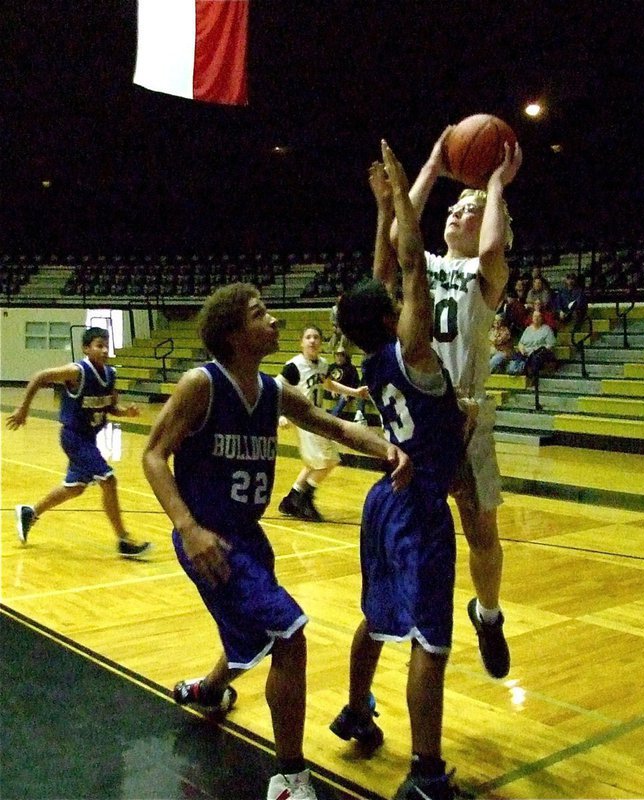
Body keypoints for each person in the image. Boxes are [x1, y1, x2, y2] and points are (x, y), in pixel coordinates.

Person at [141, 283, 411, 800]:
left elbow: (328, 423)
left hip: (249, 537)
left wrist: (387, 449)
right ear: (233, 334)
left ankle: (210, 688)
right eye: (261, 314)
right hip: (212, 541)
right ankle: (288, 778)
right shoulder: (201, 384)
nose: (275, 322)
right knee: (288, 635)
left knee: (257, 630)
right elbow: (153, 455)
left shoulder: (273, 391)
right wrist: (188, 527)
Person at [332, 141, 466, 800]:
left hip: (383, 500)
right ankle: (425, 772)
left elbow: (380, 278)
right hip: (417, 509)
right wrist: (415, 193)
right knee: (429, 641)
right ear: (392, 319)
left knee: (377, 616)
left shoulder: (372, 357)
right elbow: (409, 265)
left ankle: (356, 710)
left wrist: (383, 204)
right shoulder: (412, 351)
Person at [396, 126, 522, 679]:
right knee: (415, 535)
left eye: (469, 211)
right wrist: (430, 167)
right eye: (454, 207)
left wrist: (493, 185)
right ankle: (414, 620)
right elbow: (401, 228)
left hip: (467, 416)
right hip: (420, 420)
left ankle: (488, 614)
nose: (456, 213)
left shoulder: (486, 274)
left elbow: (492, 245)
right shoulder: (421, 263)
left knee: (482, 534)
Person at [6, 326, 151, 558]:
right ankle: (123, 539)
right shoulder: (77, 372)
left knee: (74, 488)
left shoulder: (110, 374)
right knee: (108, 479)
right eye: (99, 345)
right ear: (86, 348)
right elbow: (39, 377)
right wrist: (23, 408)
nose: (104, 350)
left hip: (89, 439)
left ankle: (30, 512)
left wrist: (126, 412)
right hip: (73, 437)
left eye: (106, 345)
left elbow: (111, 407)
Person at [277, 325, 368, 522]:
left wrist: (354, 392)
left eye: (316, 337)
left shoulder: (324, 364)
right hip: (302, 418)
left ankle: (292, 499)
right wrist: (280, 415)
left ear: (321, 342)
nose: (312, 340)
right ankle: (305, 498)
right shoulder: (294, 366)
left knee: (313, 463)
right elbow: (277, 388)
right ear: (301, 343)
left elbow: (329, 384)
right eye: (308, 337)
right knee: (329, 460)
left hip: (316, 417)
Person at [506, 309, 557, 377]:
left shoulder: (547, 329)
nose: (536, 318)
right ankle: (515, 371)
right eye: (534, 316)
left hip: (538, 354)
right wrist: (522, 349)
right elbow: (520, 343)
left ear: (542, 318)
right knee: (515, 358)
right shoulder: (528, 329)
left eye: (538, 316)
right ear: (532, 318)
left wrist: (537, 350)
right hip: (525, 352)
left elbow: (551, 345)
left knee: (535, 359)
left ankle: (531, 377)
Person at [326, 346, 368, 424]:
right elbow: (326, 381)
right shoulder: (331, 367)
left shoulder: (351, 368)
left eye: (341, 355)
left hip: (347, 392)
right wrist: (332, 389)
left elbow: (355, 384)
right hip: (333, 391)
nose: (339, 357)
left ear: (345, 356)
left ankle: (331, 420)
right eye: (337, 355)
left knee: (343, 398)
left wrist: (347, 392)